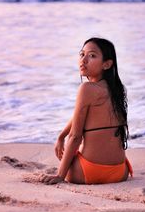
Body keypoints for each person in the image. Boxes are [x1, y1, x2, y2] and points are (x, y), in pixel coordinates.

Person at [41, 37, 133, 185]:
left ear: (107, 64)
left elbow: (75, 137)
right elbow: (79, 116)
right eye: (82, 54)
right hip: (121, 172)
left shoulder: (87, 89)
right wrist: (61, 136)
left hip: (90, 172)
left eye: (92, 56)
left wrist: (60, 175)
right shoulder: (116, 89)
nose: (83, 60)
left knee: (69, 158)